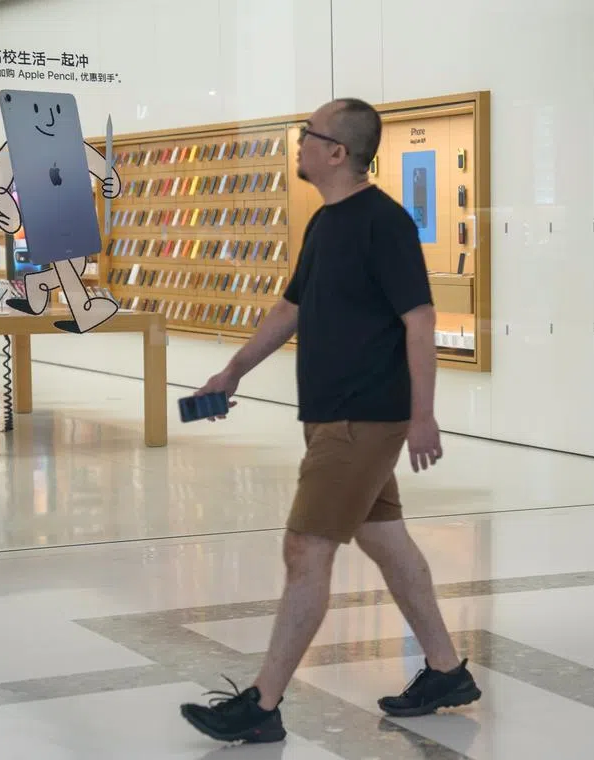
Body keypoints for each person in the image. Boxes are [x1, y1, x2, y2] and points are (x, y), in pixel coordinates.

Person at [179, 97, 481, 744]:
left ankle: (263, 703)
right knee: (386, 541)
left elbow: (419, 319)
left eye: (306, 135)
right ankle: (446, 670)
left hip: (361, 418)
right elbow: (292, 308)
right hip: (330, 416)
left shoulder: (384, 223)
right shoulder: (325, 223)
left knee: (305, 549)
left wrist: (423, 415)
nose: (299, 143)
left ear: (337, 152)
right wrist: (233, 371)